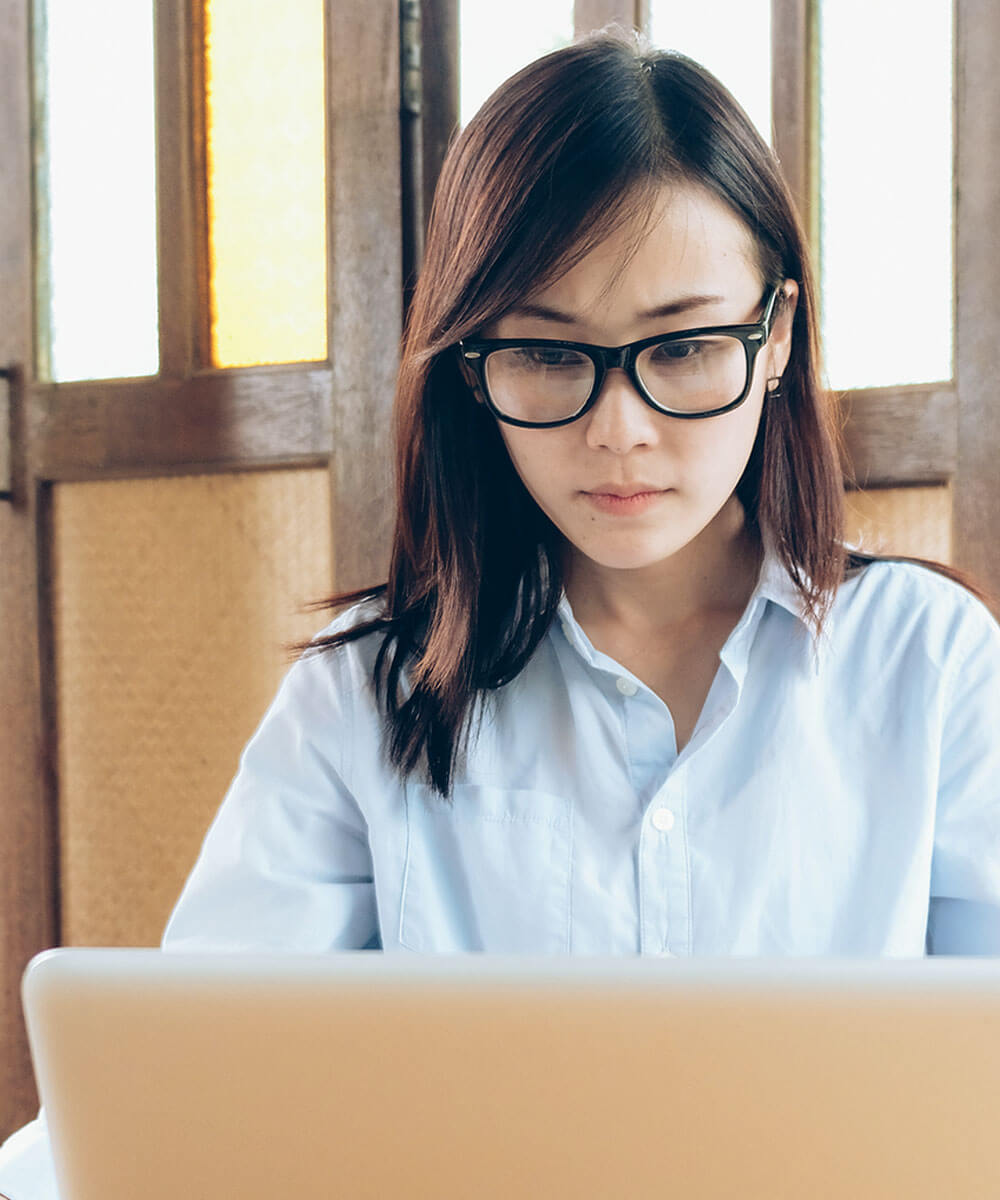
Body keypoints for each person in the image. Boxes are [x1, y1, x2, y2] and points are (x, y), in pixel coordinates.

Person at [3, 29, 1000, 1198]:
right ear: (473, 368)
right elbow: (186, 1095)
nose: (617, 429)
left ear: (773, 335)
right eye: (545, 352)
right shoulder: (361, 696)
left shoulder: (930, 668)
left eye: (681, 347)